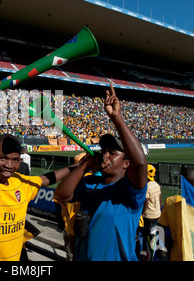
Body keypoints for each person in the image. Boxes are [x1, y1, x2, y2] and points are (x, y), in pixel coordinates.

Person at [0, 133, 80, 261]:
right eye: (3, 158)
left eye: (15, 160)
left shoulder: (19, 181)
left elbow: (45, 179)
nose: (9, 165)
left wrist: (81, 165)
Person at [54, 84, 148, 261]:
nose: (105, 155)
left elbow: (140, 163)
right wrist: (84, 166)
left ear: (126, 163)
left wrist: (116, 118)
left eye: (112, 153)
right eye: (104, 151)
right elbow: (61, 196)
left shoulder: (131, 191)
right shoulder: (90, 182)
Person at [139, 164, 163, 260]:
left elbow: (146, 202)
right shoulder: (157, 185)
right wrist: (158, 208)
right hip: (157, 213)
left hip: (149, 215)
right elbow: (160, 198)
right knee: (155, 231)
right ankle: (159, 249)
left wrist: (142, 213)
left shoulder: (147, 187)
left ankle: (152, 252)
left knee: (149, 233)